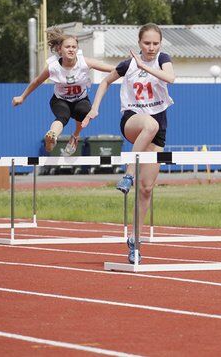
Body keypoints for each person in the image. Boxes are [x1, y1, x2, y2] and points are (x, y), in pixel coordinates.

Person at [82, 23, 175, 263]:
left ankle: (135, 241)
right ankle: (129, 173)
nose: (151, 47)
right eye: (147, 43)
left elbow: (171, 78)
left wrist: (147, 67)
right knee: (148, 125)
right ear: (139, 43)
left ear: (160, 44)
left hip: (158, 126)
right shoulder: (127, 65)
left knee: (146, 190)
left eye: (155, 43)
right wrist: (94, 108)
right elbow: (104, 82)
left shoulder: (163, 59)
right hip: (132, 121)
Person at [12, 29, 114, 156]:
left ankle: (75, 136)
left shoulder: (84, 62)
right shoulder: (53, 67)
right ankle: (52, 137)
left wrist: (127, 69)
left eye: (74, 47)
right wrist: (22, 97)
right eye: (67, 47)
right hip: (60, 100)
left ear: (77, 49)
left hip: (80, 99)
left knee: (85, 112)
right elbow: (37, 81)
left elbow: (111, 68)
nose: (71, 49)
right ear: (60, 49)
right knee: (62, 117)